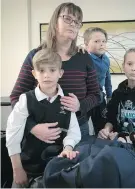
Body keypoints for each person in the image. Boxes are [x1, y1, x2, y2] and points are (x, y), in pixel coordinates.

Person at [10, 2, 100, 140]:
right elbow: (16, 97)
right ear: (55, 22)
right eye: (67, 18)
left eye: (77, 22)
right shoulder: (35, 56)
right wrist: (32, 127)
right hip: (41, 132)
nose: (73, 24)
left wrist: (80, 106)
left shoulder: (84, 57)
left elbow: (96, 94)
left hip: (77, 130)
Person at [6, 49, 81, 188]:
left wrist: (68, 147)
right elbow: (12, 135)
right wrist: (17, 169)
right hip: (27, 168)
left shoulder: (67, 101)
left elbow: (73, 131)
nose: (47, 75)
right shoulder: (25, 100)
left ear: (60, 73)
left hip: (56, 168)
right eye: (41, 70)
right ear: (34, 74)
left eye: (52, 70)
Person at [83, 27, 112, 134]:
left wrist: (109, 95)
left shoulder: (106, 59)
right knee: (82, 126)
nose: (101, 44)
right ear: (86, 44)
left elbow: (107, 78)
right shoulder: (84, 58)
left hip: (100, 98)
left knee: (102, 126)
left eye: (104, 41)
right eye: (96, 41)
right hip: (85, 98)